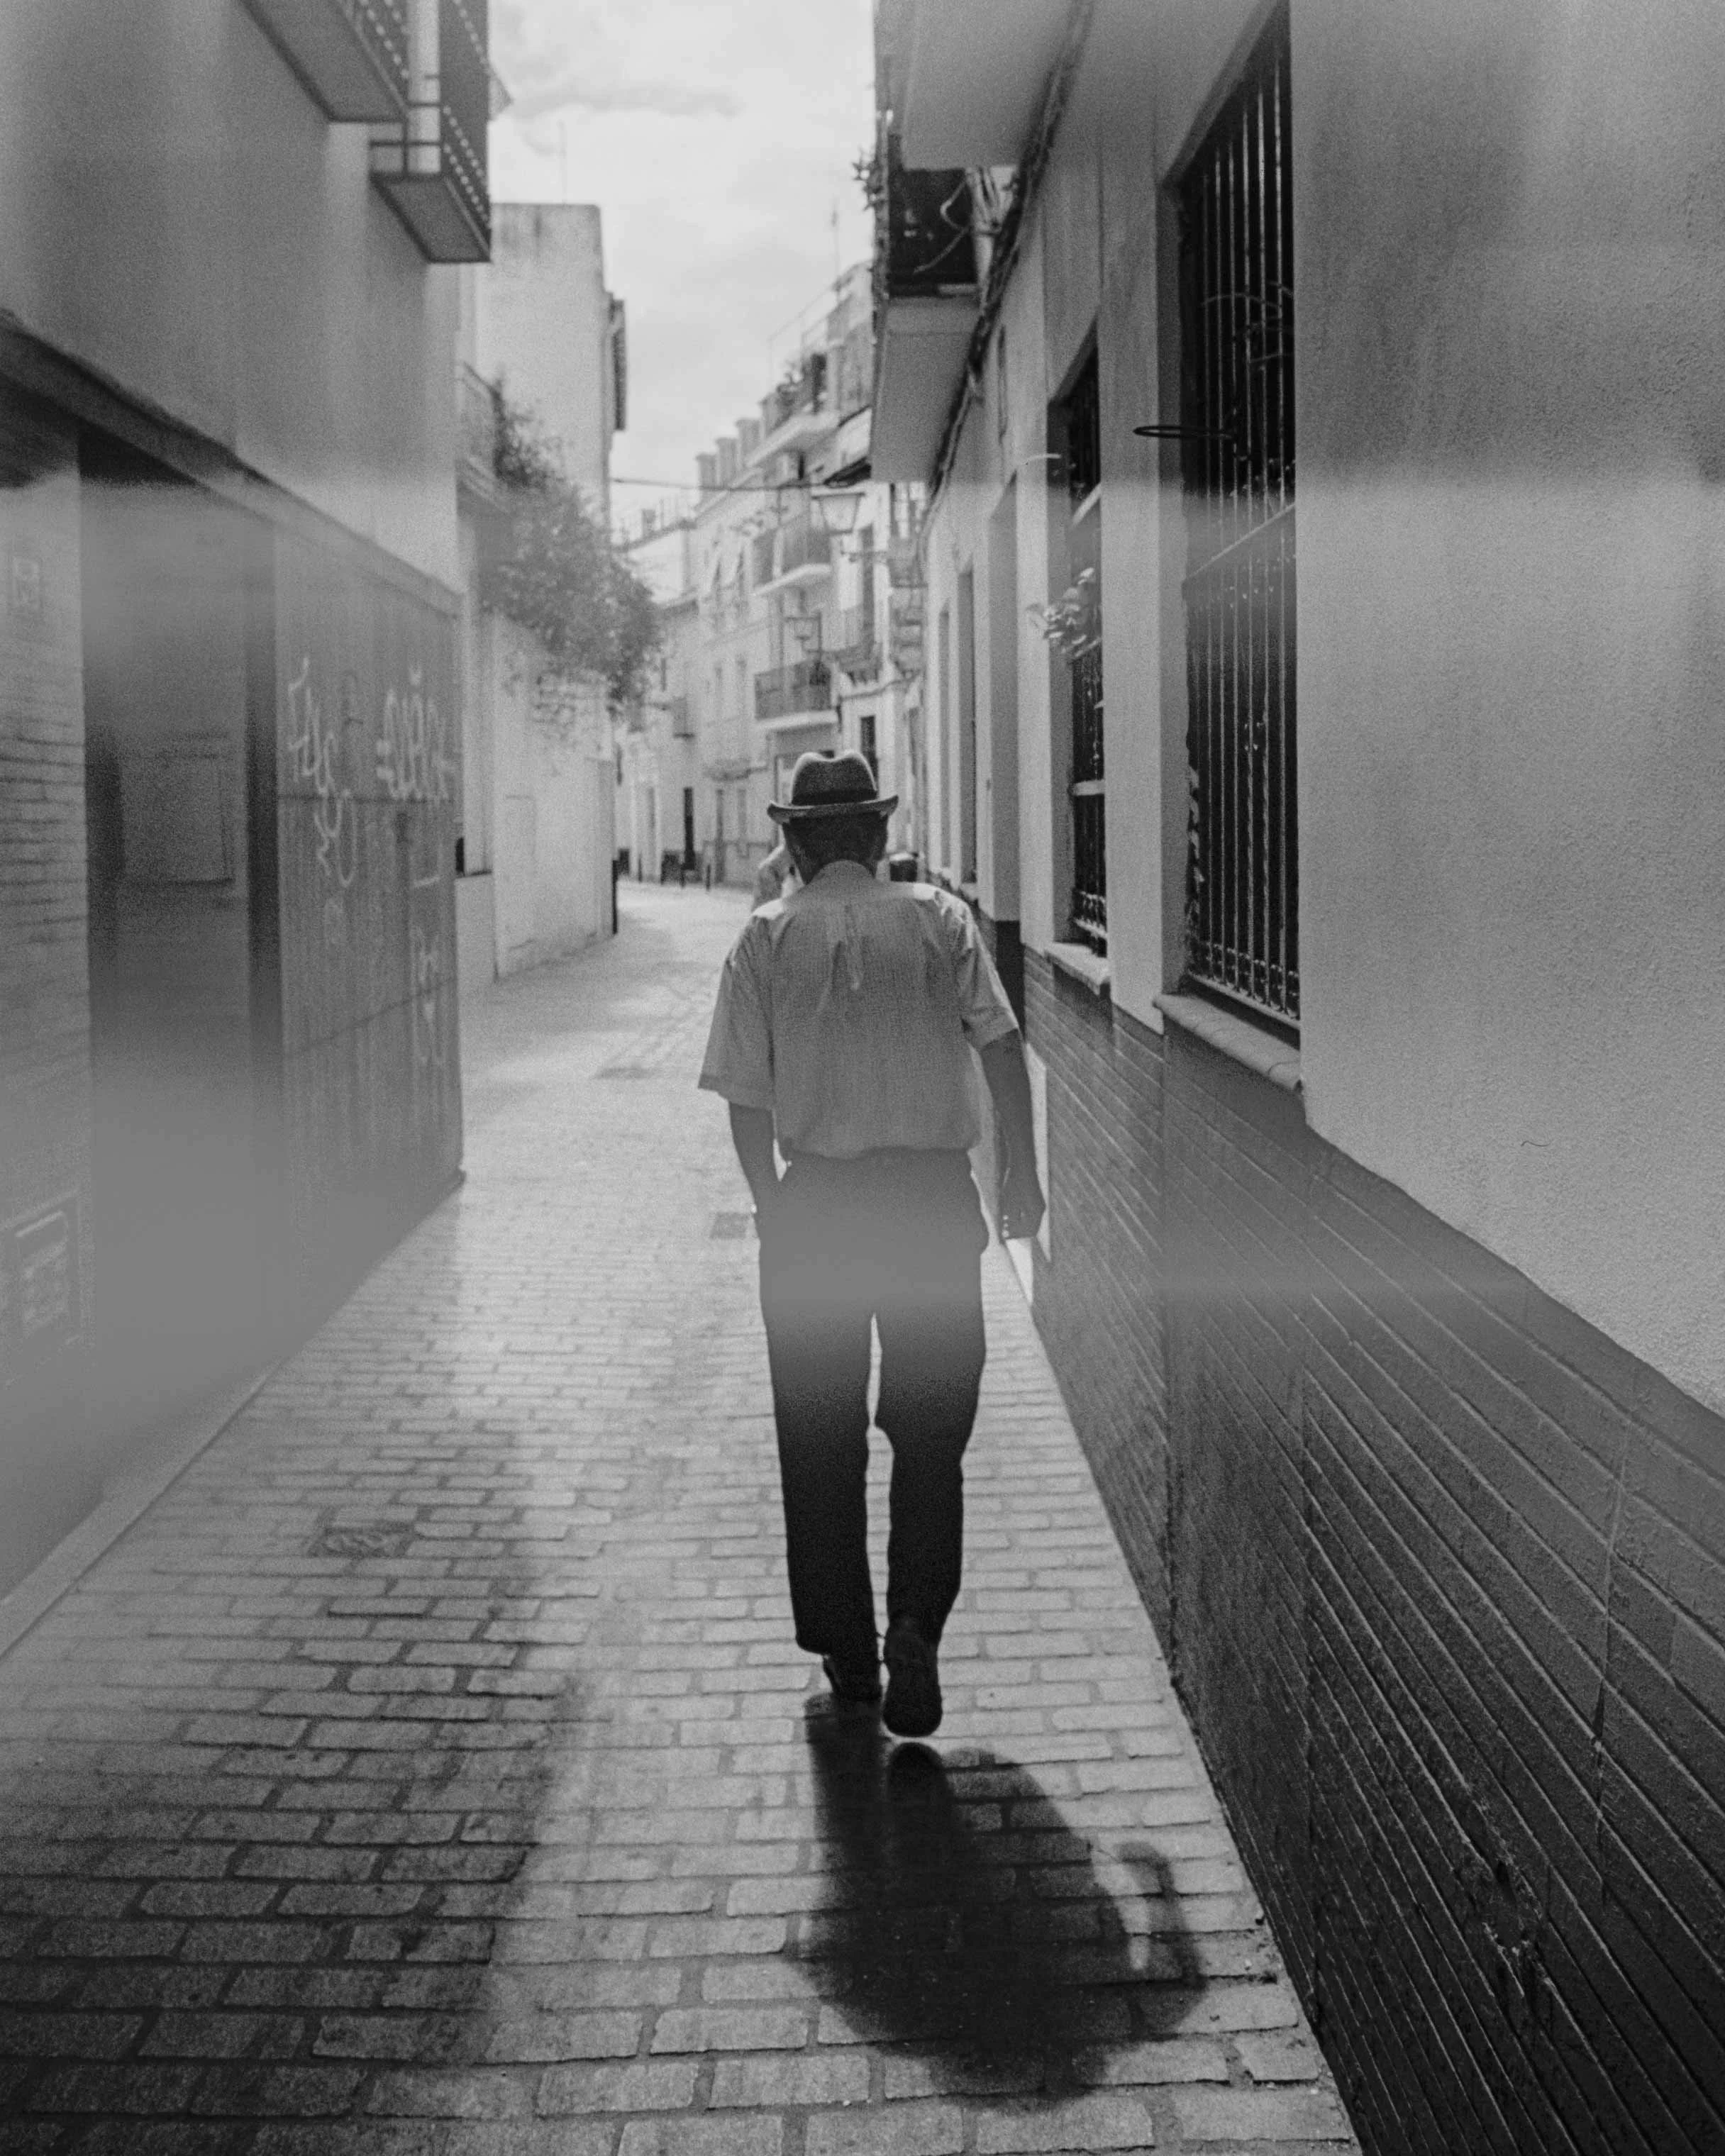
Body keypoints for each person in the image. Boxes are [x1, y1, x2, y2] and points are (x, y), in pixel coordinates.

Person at [698, 750, 1045, 1737]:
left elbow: (743, 1102)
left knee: (820, 1436)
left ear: (798, 842)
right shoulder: (940, 920)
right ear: (880, 836)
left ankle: (848, 1648)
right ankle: (916, 1631)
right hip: (932, 1208)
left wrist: (775, 1208)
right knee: (931, 1437)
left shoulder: (764, 939)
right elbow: (1004, 1046)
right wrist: (1020, 1175)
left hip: (819, 1213)